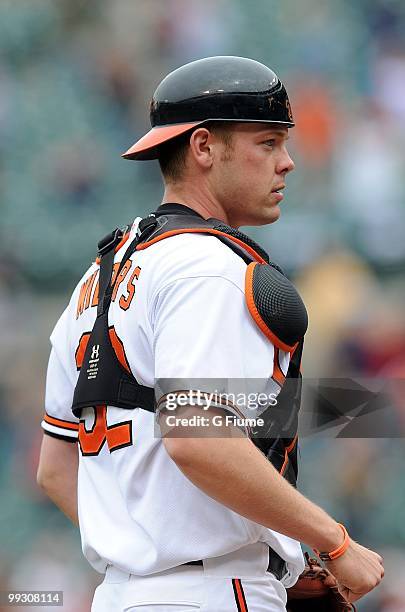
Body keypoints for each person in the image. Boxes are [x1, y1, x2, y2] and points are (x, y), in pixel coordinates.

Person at [37, 56, 384, 612]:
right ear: (203, 147)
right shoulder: (206, 266)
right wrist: (332, 540)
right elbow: (197, 436)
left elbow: (55, 469)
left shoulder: (97, 277)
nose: (287, 162)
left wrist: (144, 551)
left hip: (123, 597)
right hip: (212, 594)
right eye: (268, 143)